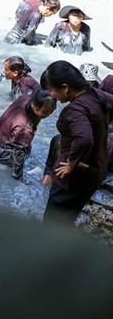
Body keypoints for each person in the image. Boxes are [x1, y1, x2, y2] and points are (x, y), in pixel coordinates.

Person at [40, 60, 113, 225]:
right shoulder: (94, 93)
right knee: (66, 219)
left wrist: (72, 163)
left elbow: (84, 139)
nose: (51, 95)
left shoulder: (75, 110)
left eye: (52, 89)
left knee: (52, 225)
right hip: (96, 169)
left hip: (72, 179)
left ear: (65, 88)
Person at [0, 89, 57, 181]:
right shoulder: (25, 129)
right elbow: (18, 153)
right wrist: (18, 176)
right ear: (34, 105)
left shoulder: (25, 98)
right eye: (44, 112)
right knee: (26, 151)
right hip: (1, 154)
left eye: (50, 112)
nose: (47, 115)